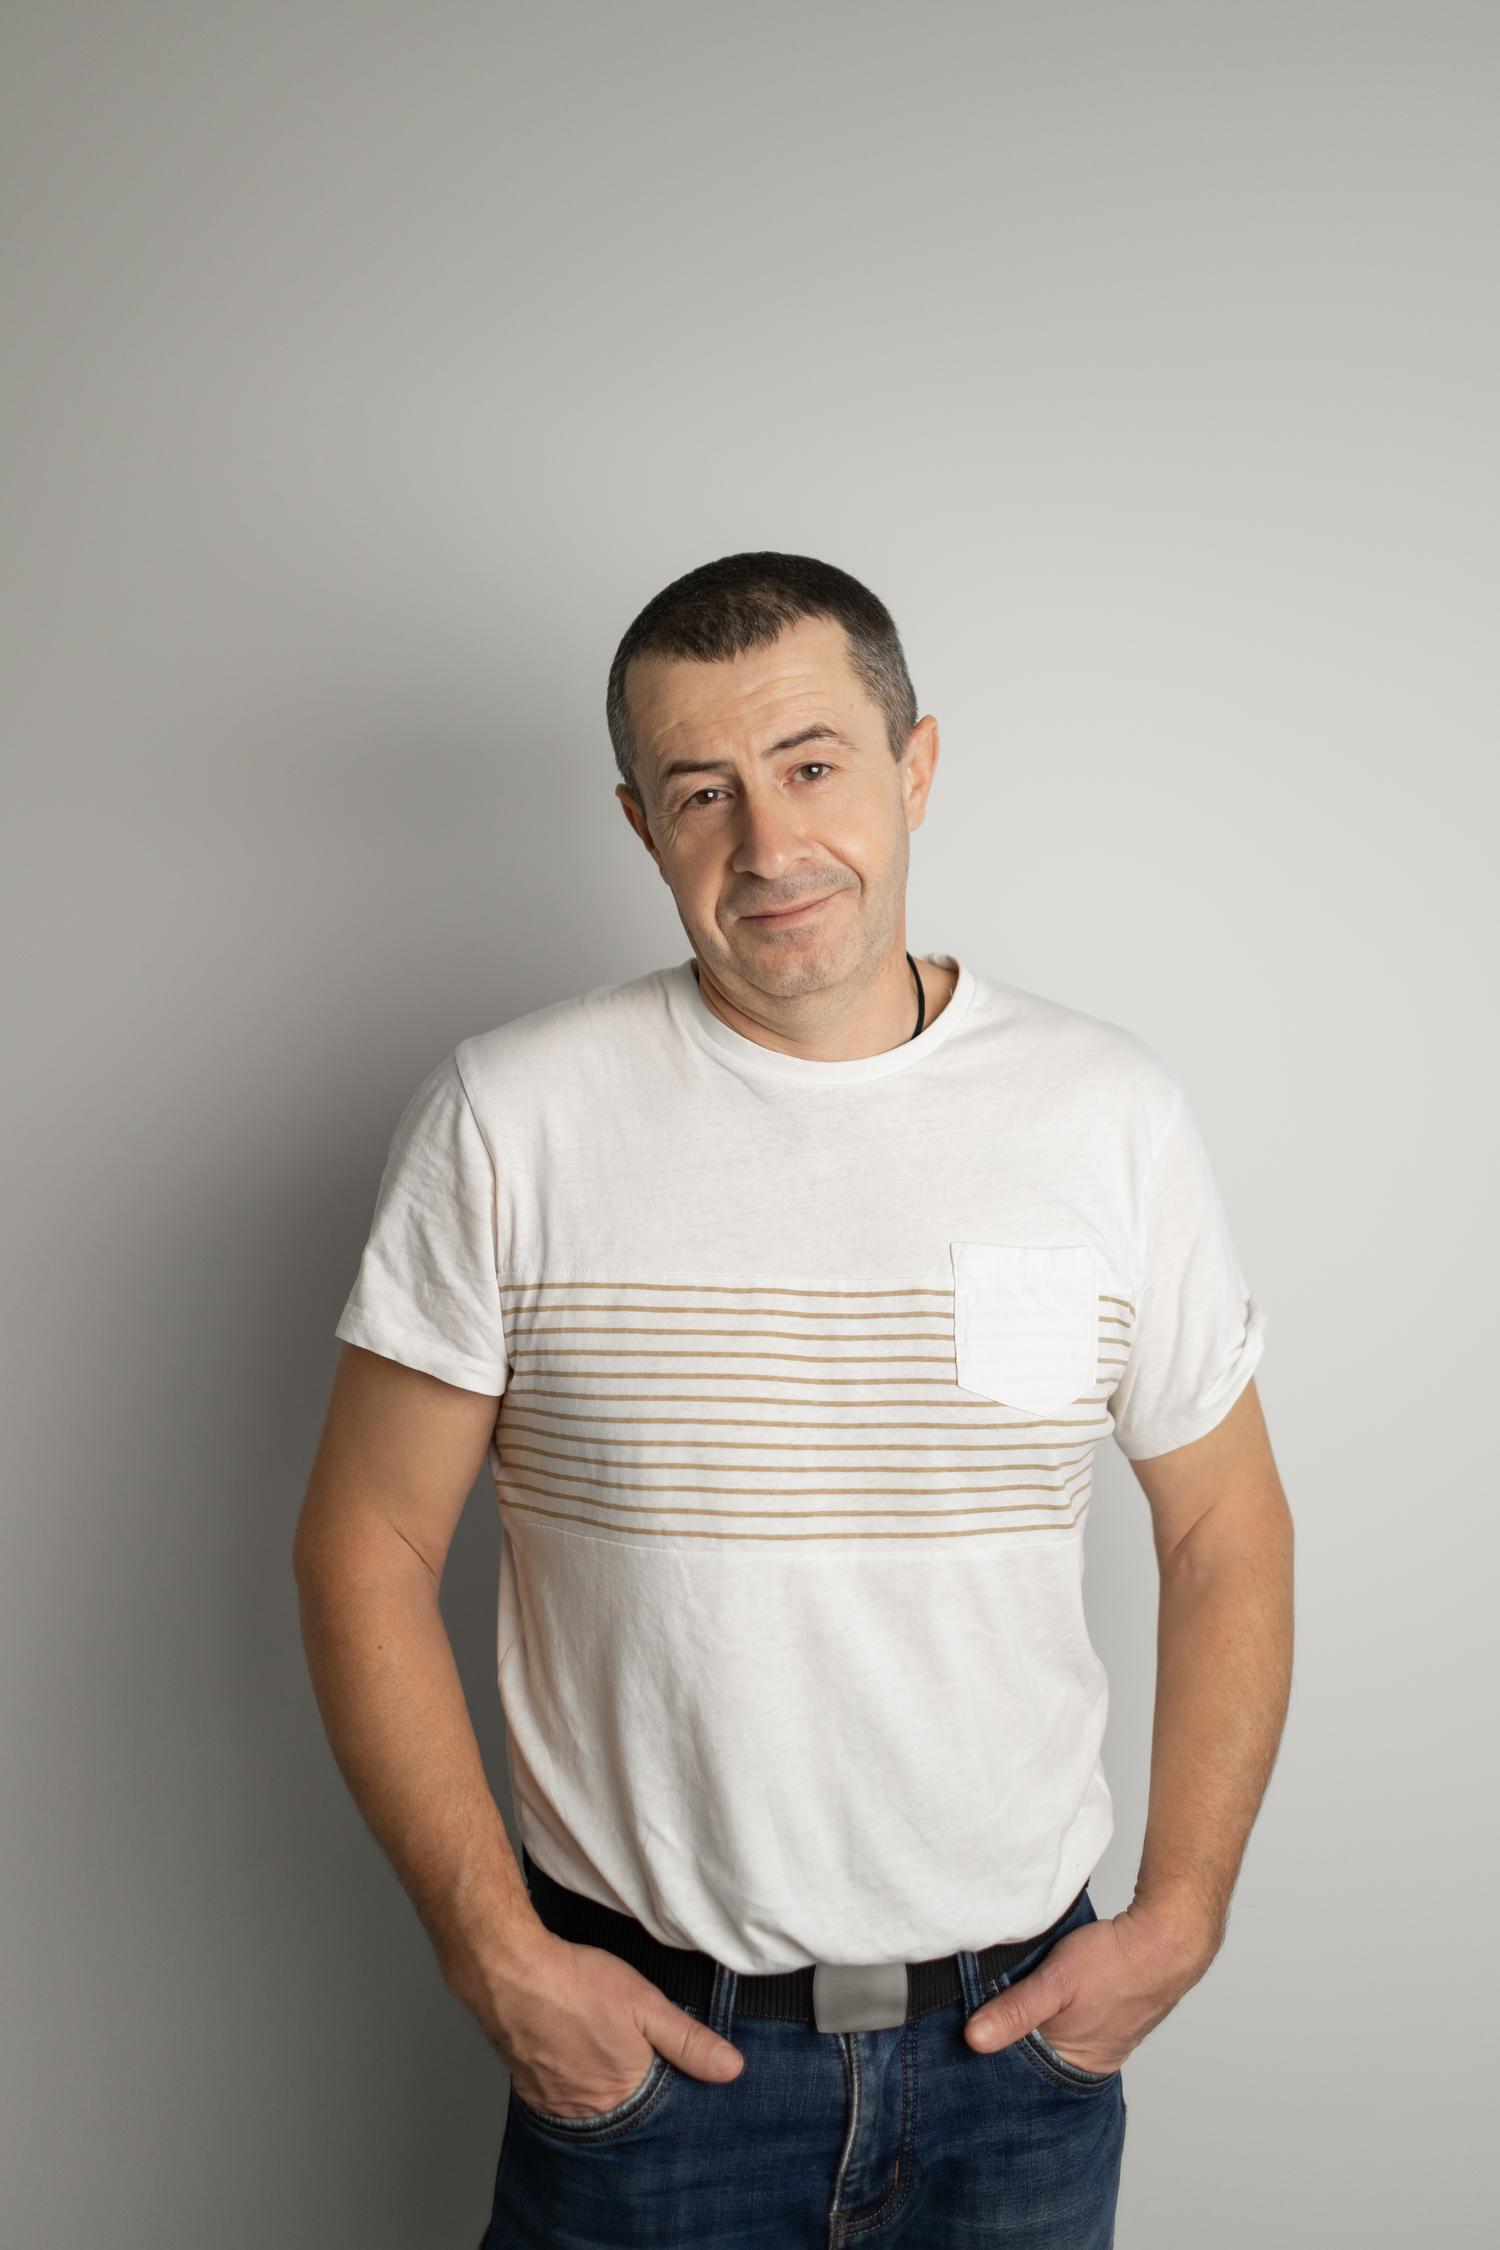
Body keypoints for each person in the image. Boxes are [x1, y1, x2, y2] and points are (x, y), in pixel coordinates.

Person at [293, 550, 1294, 2248]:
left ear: (917, 766)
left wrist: (1183, 1911)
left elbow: (1227, 1529)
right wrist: (496, 1953)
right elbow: (364, 1543)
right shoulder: (510, 1119)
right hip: (649, 2069)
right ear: (641, 824)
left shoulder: (1105, 1115)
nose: (768, 844)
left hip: (1017, 2060)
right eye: (704, 791)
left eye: (813, 764)